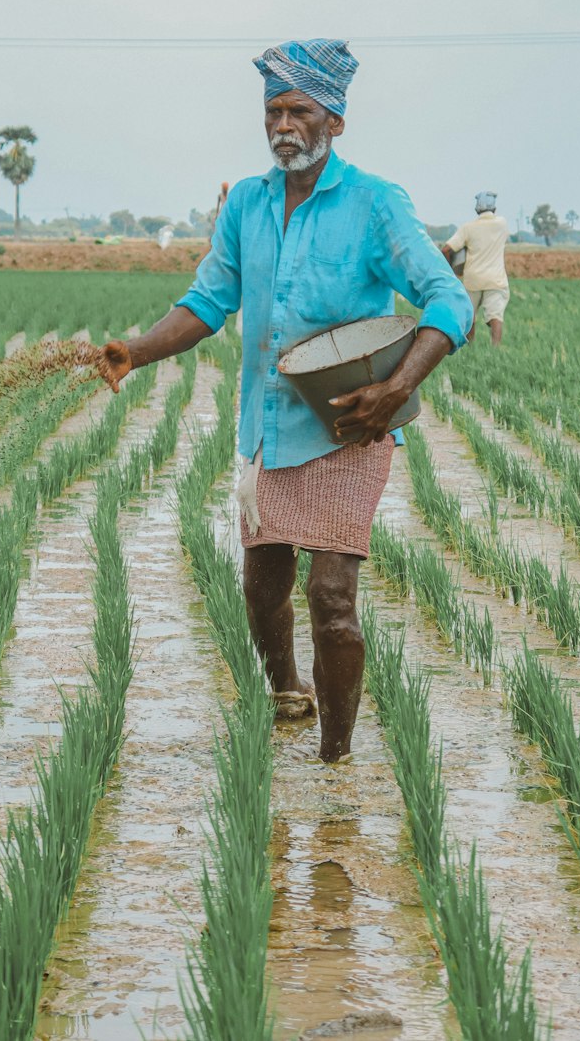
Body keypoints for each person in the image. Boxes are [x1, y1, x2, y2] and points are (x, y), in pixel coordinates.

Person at [98, 40, 472, 762]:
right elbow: (209, 299)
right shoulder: (247, 200)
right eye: (273, 111)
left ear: (335, 120)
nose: (283, 125)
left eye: (299, 110)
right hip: (268, 426)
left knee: (332, 599)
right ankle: (286, 691)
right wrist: (136, 352)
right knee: (262, 581)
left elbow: (446, 298)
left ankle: (336, 757)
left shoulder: (374, 202)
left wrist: (397, 387)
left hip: (349, 425)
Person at [443, 192, 510, 346]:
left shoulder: (468, 228)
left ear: (477, 209)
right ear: (494, 208)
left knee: (470, 316)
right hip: (496, 279)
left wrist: (451, 273)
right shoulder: (502, 224)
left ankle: (470, 346)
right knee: (495, 315)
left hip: (473, 278)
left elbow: (446, 249)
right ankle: (496, 347)